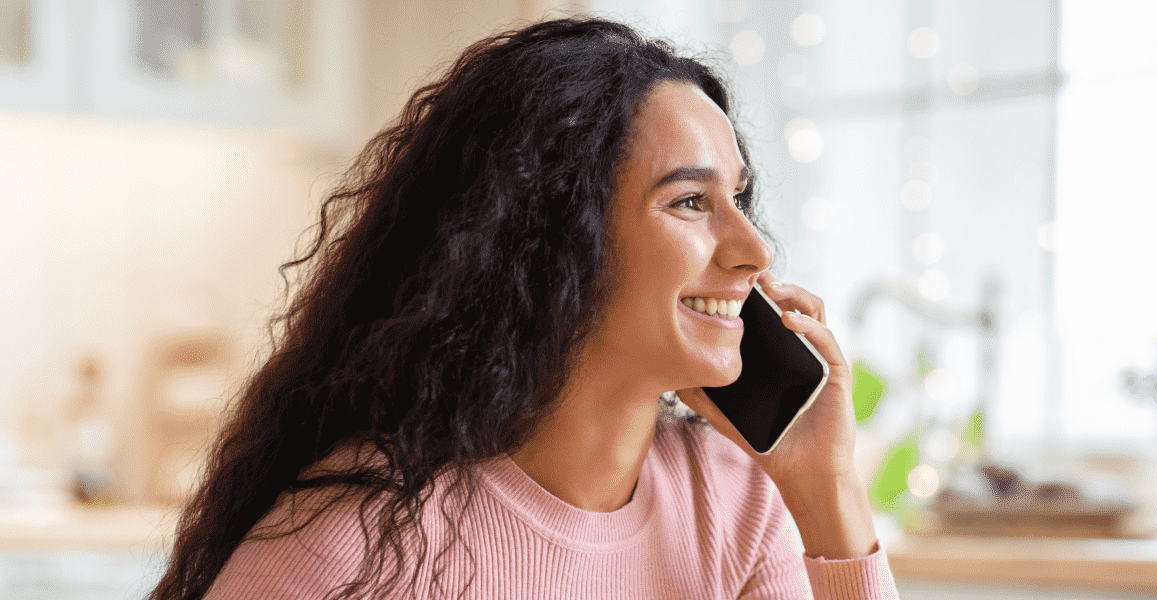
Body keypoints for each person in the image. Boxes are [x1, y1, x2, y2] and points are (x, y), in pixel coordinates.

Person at [147, 17, 899, 600]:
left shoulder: (732, 502)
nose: (753, 249)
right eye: (691, 201)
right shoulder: (365, 539)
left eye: (737, 199)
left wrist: (823, 487)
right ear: (553, 235)